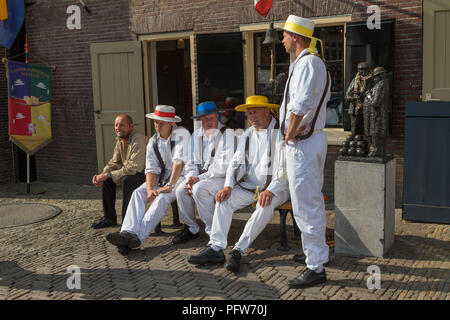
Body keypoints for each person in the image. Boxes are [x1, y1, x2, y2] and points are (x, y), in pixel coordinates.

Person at [187, 95, 289, 273]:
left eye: (255, 112)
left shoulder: (281, 132)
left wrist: (271, 190)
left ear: (267, 111)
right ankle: (216, 248)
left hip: (278, 187)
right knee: (223, 199)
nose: (252, 118)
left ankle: (238, 250)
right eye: (249, 114)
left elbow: (285, 167)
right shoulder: (248, 133)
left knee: (264, 205)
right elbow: (236, 163)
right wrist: (227, 186)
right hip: (251, 186)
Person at [279, 15, 331, 288]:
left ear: (296, 37)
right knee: (309, 202)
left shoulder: (308, 62)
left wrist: (289, 134)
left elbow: (299, 105)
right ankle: (315, 254)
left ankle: (316, 266)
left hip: (303, 144)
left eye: (285, 34)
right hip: (307, 142)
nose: (282, 39)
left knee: (306, 204)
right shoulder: (306, 63)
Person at [105, 105, 190, 255]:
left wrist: (170, 185)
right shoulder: (153, 141)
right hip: (162, 179)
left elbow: (179, 162)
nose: (157, 126)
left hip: (181, 177)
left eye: (161, 122)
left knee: (161, 199)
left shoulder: (181, 134)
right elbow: (151, 169)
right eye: (156, 122)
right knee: (138, 192)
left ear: (171, 123)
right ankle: (127, 233)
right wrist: (150, 189)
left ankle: (138, 237)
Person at [173, 101, 235, 244]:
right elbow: (191, 162)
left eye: (211, 118)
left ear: (217, 117)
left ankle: (215, 232)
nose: (207, 122)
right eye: (203, 119)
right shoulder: (196, 135)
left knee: (199, 189)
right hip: (201, 178)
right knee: (181, 190)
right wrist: (190, 179)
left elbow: (222, 166)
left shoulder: (228, 134)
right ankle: (191, 228)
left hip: (223, 178)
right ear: (199, 120)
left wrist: (198, 179)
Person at [91, 114, 148, 229]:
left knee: (128, 181)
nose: (118, 128)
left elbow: (134, 168)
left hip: (148, 175)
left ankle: (126, 224)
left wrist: (108, 175)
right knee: (108, 180)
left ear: (131, 126)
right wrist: (103, 175)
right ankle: (109, 218)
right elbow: (115, 162)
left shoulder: (138, 139)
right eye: (116, 125)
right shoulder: (120, 139)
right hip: (133, 172)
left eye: (122, 125)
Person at [363, 66, 389, 157]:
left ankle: (375, 150)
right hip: (374, 114)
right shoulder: (382, 84)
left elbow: (375, 102)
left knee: (374, 132)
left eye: (376, 76)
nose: (374, 78)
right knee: (375, 132)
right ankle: (379, 150)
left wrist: (368, 95)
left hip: (375, 114)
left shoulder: (380, 85)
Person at [345, 62, 373, 137]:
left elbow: (373, 95)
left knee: (367, 132)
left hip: (366, 109)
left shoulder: (372, 81)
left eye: (363, 69)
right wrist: (353, 98)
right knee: (355, 132)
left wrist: (363, 96)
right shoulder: (354, 81)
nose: (361, 71)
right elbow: (347, 95)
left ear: (368, 70)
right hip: (355, 109)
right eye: (359, 69)